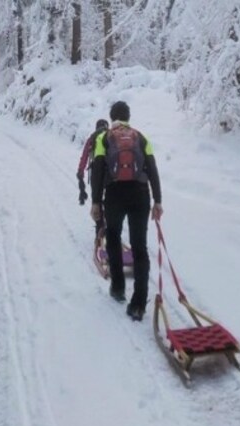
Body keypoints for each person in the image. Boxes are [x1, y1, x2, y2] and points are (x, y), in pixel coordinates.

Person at [90, 101, 163, 321]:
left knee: (112, 237)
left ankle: (118, 287)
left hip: (114, 194)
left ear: (112, 118)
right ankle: (139, 303)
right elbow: (152, 168)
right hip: (140, 194)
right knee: (139, 246)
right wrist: (157, 201)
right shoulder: (141, 137)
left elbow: (97, 170)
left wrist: (95, 202)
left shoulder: (104, 138)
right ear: (128, 117)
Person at [77, 119, 110, 241]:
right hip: (111, 175)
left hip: (96, 175)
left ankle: (99, 231)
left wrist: (80, 173)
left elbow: (84, 157)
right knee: (110, 201)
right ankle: (110, 228)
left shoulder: (92, 138)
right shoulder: (111, 135)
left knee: (97, 202)